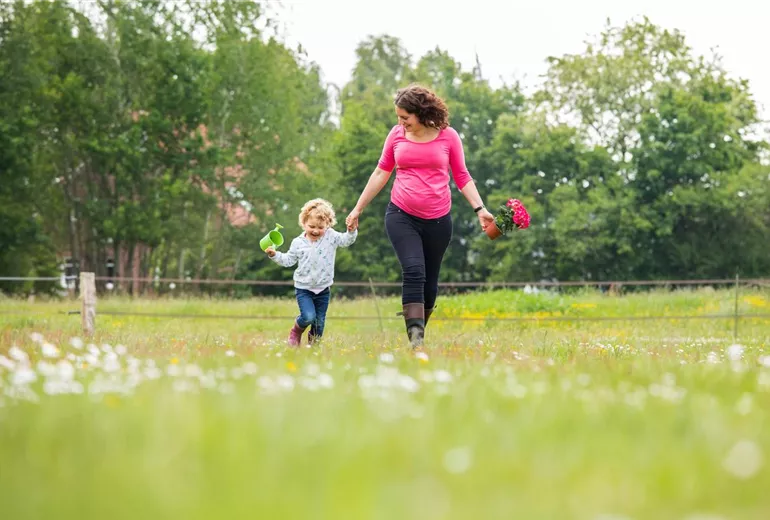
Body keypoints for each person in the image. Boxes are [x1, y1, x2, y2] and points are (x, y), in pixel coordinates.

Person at [345, 84, 495, 347]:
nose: (400, 123)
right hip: (401, 214)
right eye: (398, 117)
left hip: (439, 220)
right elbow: (381, 172)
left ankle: (419, 329)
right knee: (414, 270)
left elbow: (462, 176)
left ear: (421, 113)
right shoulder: (396, 135)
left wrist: (480, 209)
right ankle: (416, 340)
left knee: (430, 282)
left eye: (405, 117)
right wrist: (358, 208)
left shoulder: (448, 137)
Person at [266, 198, 358, 346]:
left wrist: (351, 231)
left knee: (319, 323)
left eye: (320, 227)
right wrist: (274, 255)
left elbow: (346, 240)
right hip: (304, 288)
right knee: (308, 317)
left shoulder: (331, 236)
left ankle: (313, 349)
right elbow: (288, 260)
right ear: (304, 223)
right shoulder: (298, 242)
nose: (315, 230)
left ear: (328, 224)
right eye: (311, 226)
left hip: (323, 288)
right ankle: (296, 330)